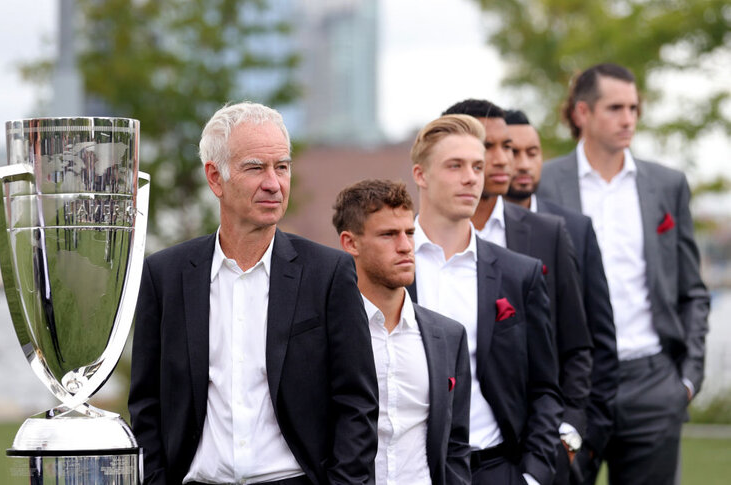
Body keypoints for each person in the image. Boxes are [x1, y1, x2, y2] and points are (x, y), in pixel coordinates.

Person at [128, 102, 379, 485]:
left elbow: (357, 404)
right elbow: (147, 405)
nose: (274, 183)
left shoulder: (328, 274)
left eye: (282, 166)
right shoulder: (165, 276)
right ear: (215, 178)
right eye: (255, 167)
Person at [538, 63, 710, 485]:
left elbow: (692, 289)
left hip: (653, 383)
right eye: (615, 107)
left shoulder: (667, 185)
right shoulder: (544, 183)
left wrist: (687, 379)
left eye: (634, 107)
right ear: (582, 113)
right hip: (572, 384)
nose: (628, 118)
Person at [407, 113, 563, 485]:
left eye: (477, 166)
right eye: (455, 166)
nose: (471, 177)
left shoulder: (518, 274)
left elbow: (545, 386)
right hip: (407, 471)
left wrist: (533, 476)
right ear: (421, 175)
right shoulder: (380, 267)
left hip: (494, 467)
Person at [444, 99, 593, 485]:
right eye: (485, 146)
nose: (501, 159)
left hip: (527, 460)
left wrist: (569, 432)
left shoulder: (548, 234)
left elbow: (577, 345)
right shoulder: (413, 249)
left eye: (505, 146)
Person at [504, 108, 619, 485]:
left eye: (532, 152)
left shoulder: (571, 229)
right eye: (511, 151)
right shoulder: (463, 233)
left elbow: (594, 338)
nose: (522, 163)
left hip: (560, 439)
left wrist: (580, 437)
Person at [333, 179, 472, 485]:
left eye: (409, 233)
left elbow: (457, 443)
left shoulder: (448, 336)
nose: (406, 246)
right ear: (350, 243)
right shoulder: (325, 333)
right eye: (388, 235)